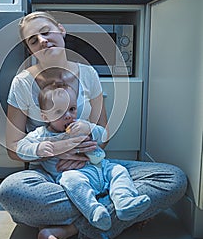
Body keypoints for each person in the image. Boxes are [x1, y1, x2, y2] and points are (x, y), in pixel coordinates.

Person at [0, 11, 187, 239]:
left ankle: (67, 229)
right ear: (29, 48)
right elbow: (13, 148)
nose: (42, 41)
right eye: (33, 40)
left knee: (173, 179)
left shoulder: (88, 75)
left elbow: (103, 134)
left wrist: (85, 149)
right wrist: (57, 151)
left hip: (96, 166)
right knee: (11, 192)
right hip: (53, 174)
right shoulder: (22, 83)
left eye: (46, 32)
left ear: (61, 30)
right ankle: (119, 207)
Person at [16, 83, 151, 231]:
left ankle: (124, 203)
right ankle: (94, 211)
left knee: (119, 171)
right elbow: (20, 148)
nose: (68, 116)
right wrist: (38, 148)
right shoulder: (41, 135)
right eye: (59, 112)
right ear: (45, 116)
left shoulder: (81, 125)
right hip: (73, 175)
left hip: (101, 169)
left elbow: (105, 135)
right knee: (71, 181)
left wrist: (90, 129)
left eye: (72, 109)